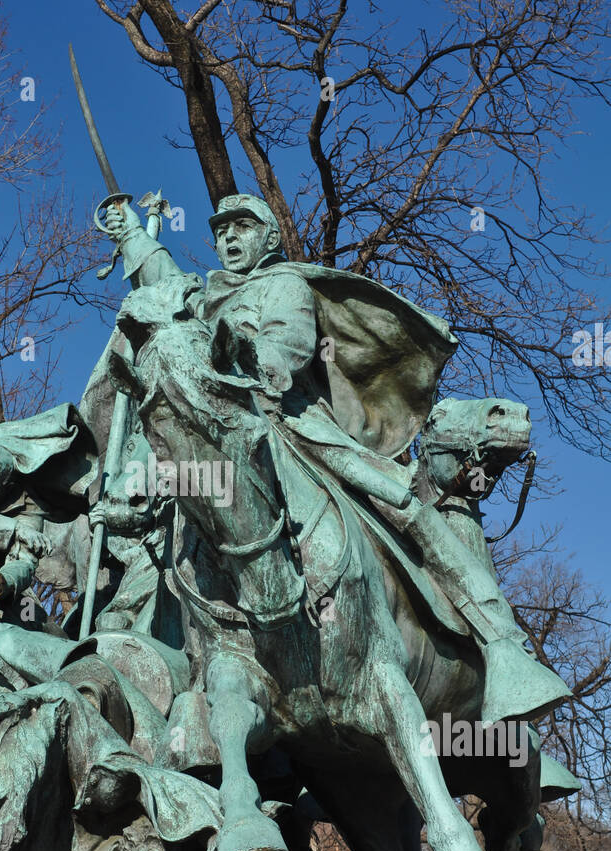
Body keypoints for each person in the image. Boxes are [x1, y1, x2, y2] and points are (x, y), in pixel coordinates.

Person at [98, 192, 569, 727]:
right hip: (215, 432)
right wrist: (129, 232)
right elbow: (161, 279)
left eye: (242, 228)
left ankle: (503, 643)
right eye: (221, 230)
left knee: (402, 505)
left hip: (289, 425)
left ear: (269, 238)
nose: (228, 239)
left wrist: (253, 355)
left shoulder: (284, 285)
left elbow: (292, 347)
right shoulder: (207, 298)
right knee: (155, 528)